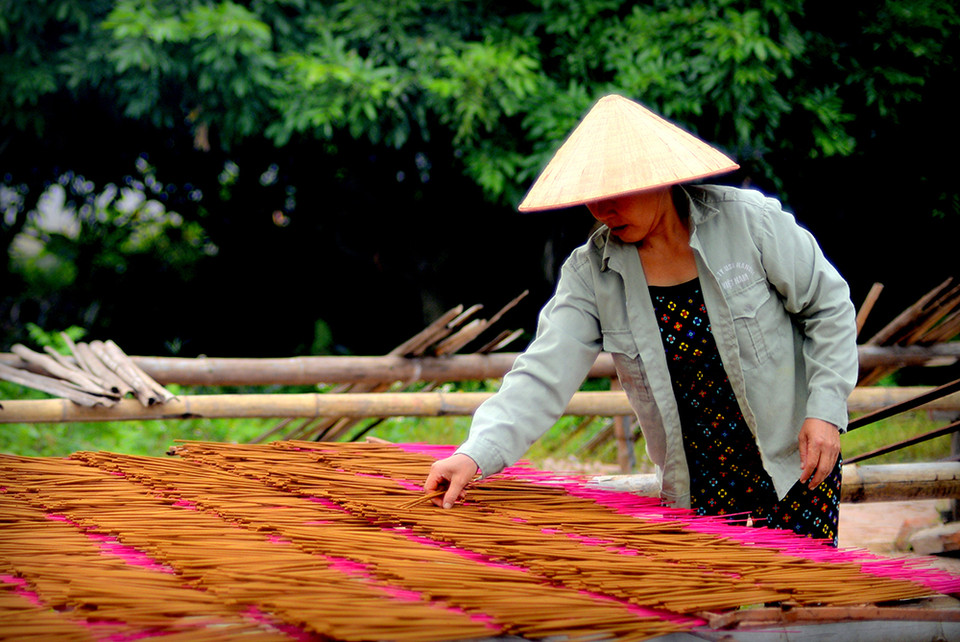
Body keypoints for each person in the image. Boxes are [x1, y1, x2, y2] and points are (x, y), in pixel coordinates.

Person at [424, 94, 858, 545]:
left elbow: (827, 308)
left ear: (660, 180)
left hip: (795, 464)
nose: (602, 211)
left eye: (615, 195)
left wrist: (826, 412)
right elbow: (541, 374)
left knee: (799, 605)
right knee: (707, 612)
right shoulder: (591, 274)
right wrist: (474, 454)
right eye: (592, 198)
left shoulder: (751, 224)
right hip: (695, 486)